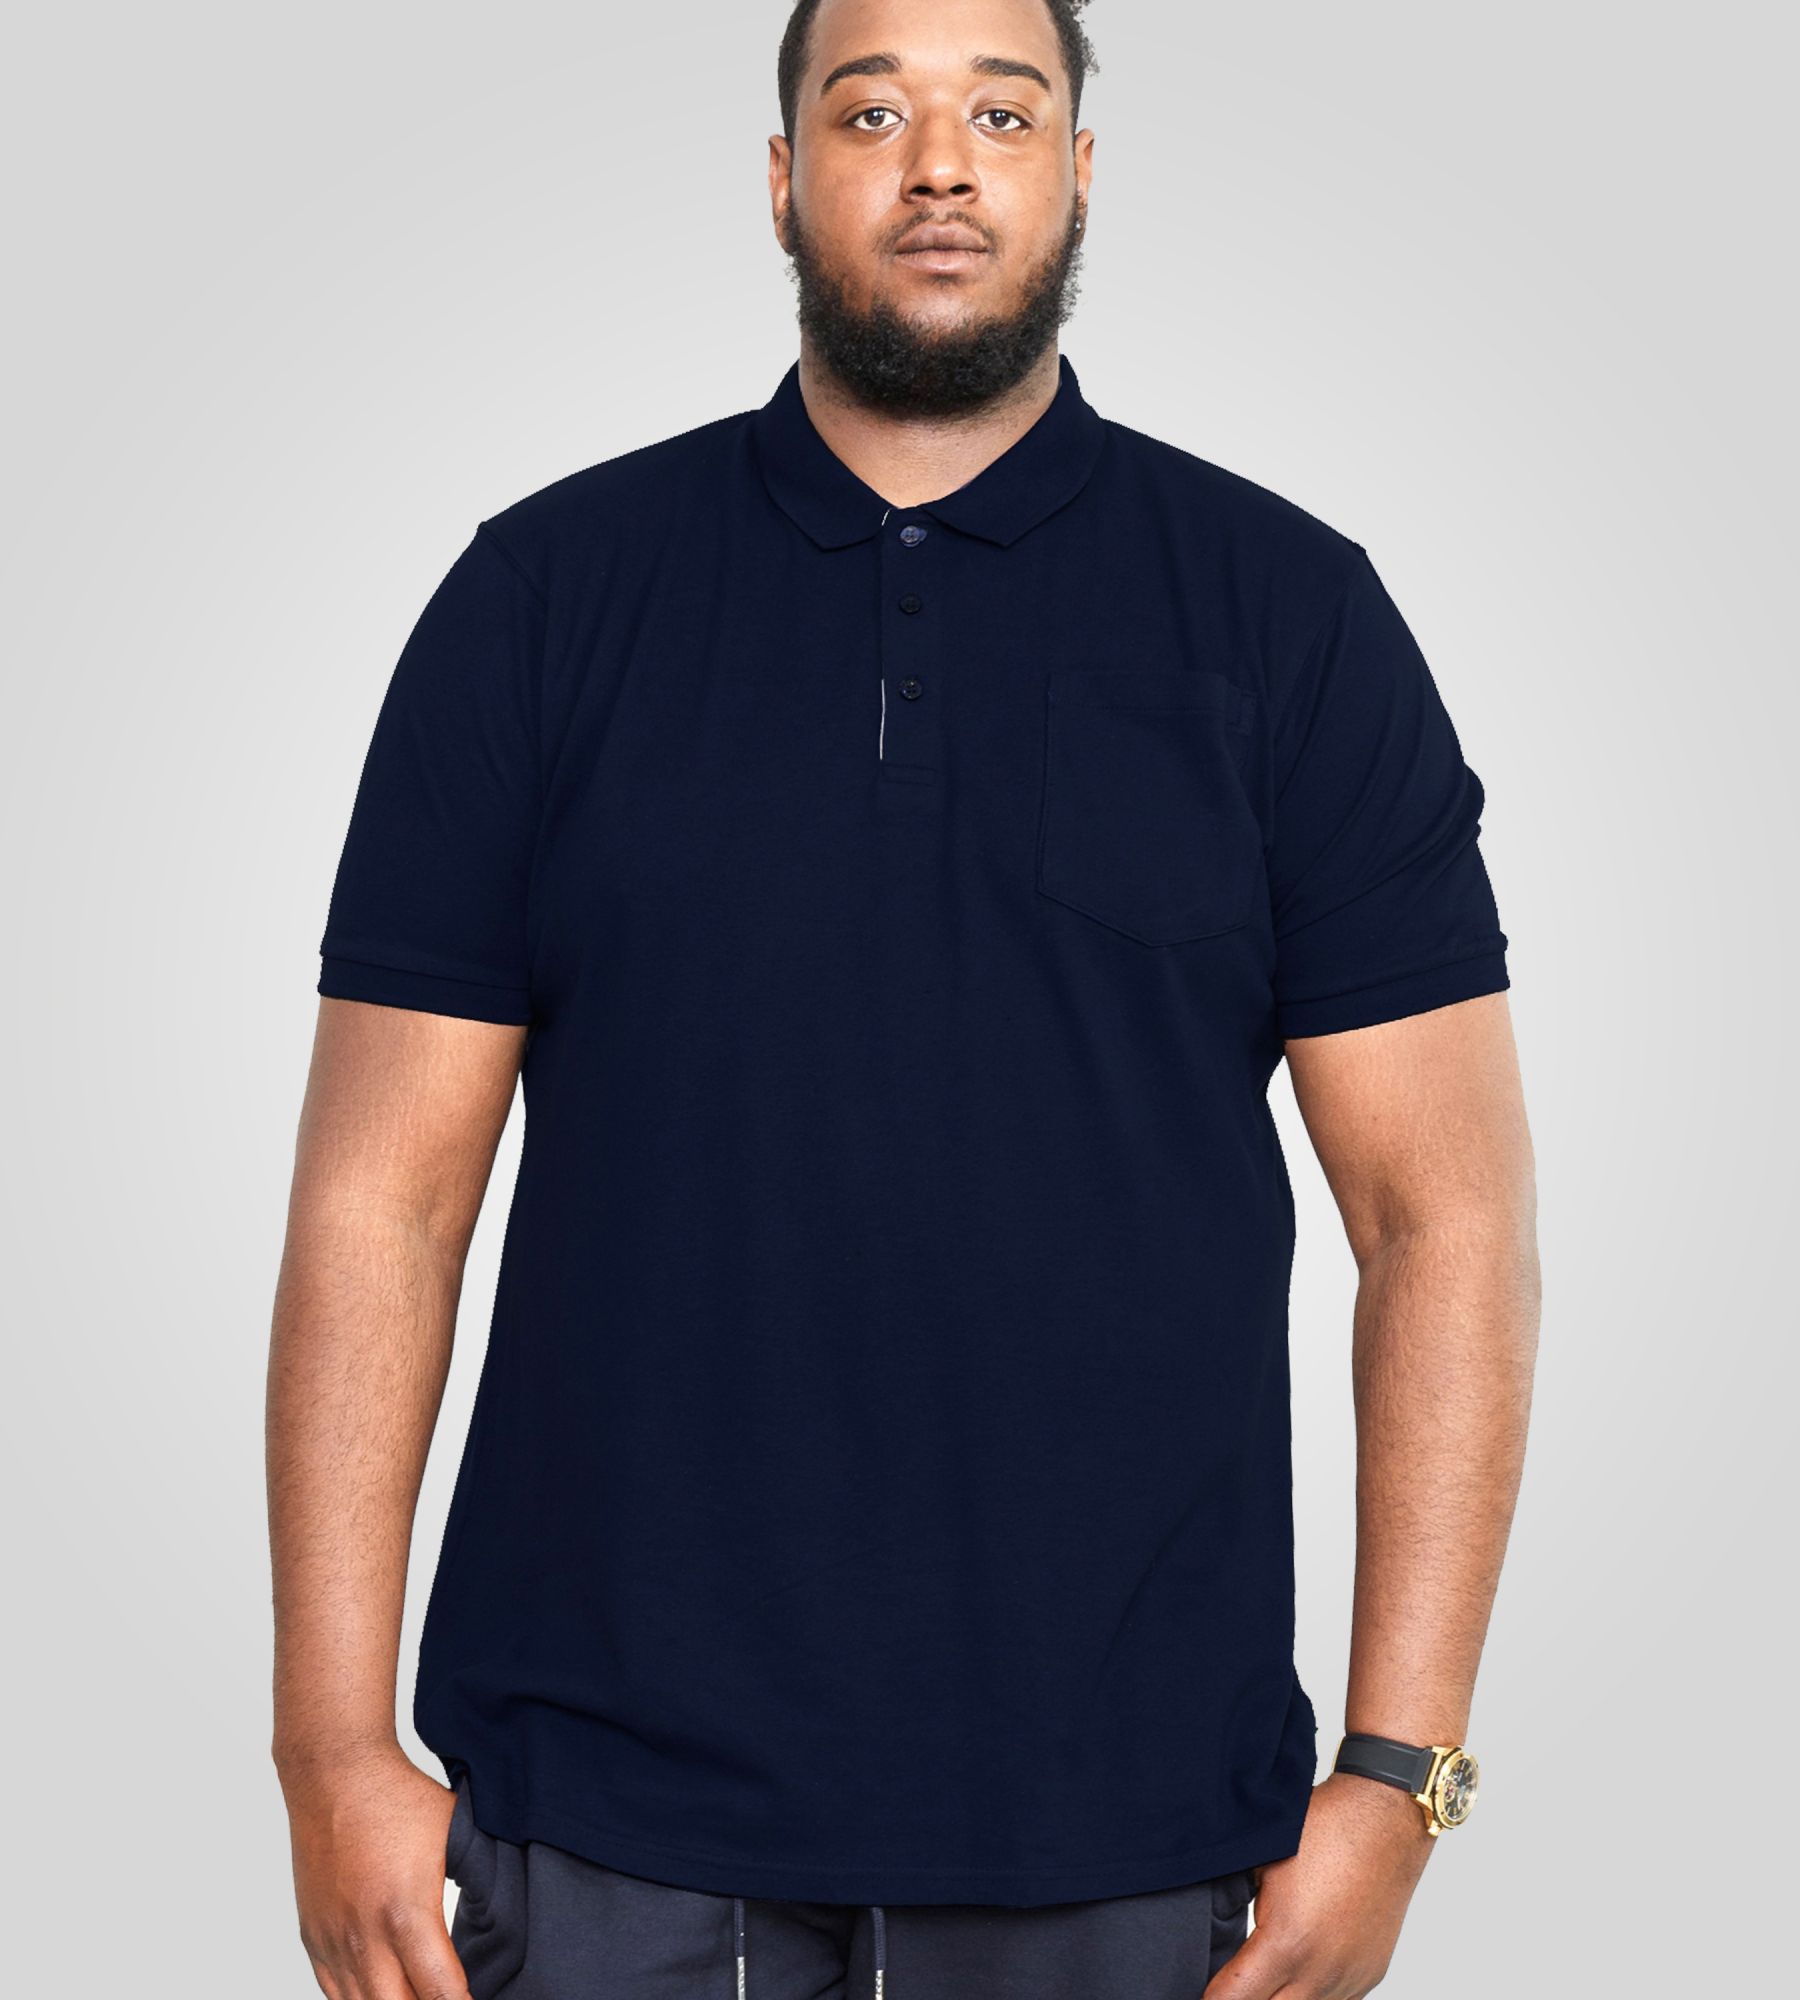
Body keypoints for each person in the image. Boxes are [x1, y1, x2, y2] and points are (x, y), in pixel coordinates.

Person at [266, 0, 1541, 1994]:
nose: (940, 162)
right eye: (871, 111)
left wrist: (1401, 1771)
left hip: (1124, 1815)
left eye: (1001, 113)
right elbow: (382, 1202)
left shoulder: (1291, 618)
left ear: (1079, 175)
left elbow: (1442, 1216)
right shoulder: (544, 601)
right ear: (784, 180)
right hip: (601, 1816)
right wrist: (329, 1748)